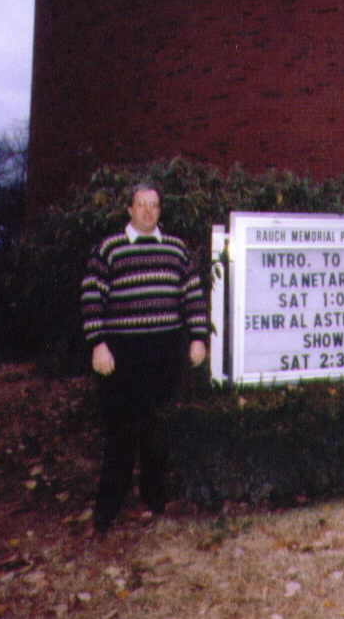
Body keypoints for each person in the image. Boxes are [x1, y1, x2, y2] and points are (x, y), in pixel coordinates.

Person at [80, 182, 209, 534]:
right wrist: (98, 343)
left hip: (164, 351)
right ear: (129, 209)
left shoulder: (177, 249)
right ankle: (107, 511)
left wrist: (198, 337)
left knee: (157, 430)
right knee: (120, 433)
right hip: (121, 354)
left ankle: (154, 499)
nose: (148, 211)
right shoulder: (109, 248)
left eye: (154, 205)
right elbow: (92, 297)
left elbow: (193, 296)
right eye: (141, 205)